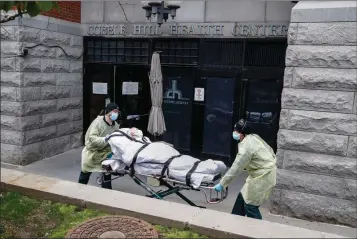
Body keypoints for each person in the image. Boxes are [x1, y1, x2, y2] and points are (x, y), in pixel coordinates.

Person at [213, 118, 277, 220]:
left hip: (263, 177)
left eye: (236, 131)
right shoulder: (253, 137)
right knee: (242, 198)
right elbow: (270, 150)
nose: (234, 133)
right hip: (262, 174)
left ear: (242, 133)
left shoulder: (246, 148)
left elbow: (235, 169)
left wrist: (222, 184)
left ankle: (258, 232)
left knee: (251, 206)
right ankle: (234, 224)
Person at [78, 103, 121, 189]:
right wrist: (105, 139)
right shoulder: (97, 122)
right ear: (108, 112)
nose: (116, 114)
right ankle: (79, 191)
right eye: (115, 111)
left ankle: (107, 194)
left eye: (118, 112)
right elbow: (92, 138)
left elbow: (117, 136)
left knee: (107, 173)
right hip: (92, 153)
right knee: (85, 173)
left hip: (105, 153)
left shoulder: (115, 125)